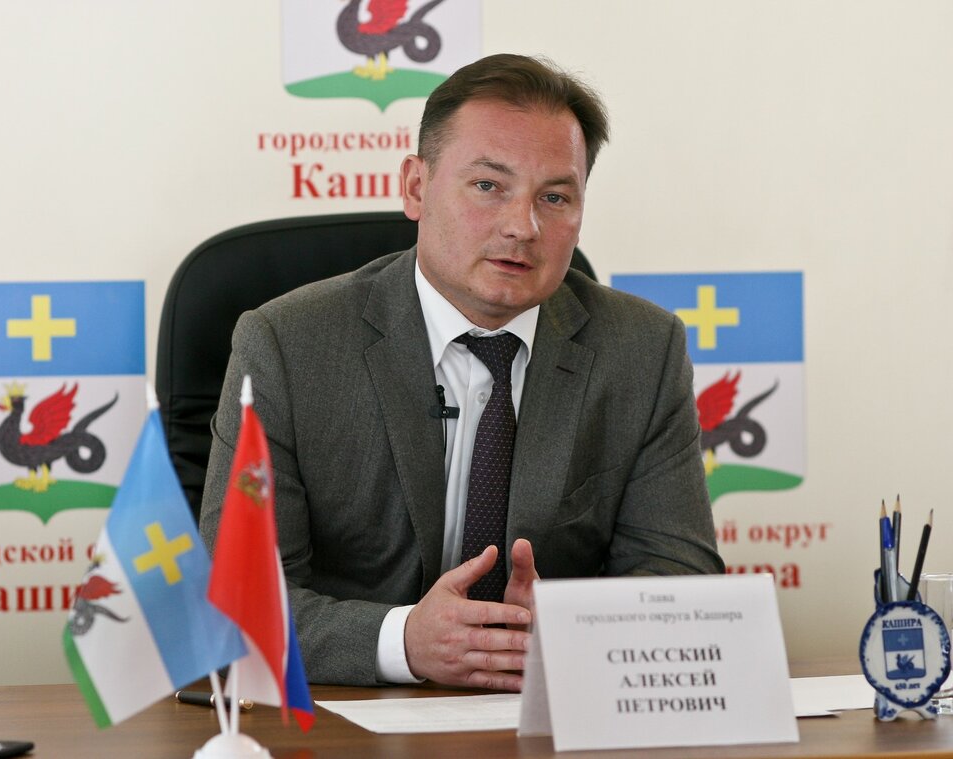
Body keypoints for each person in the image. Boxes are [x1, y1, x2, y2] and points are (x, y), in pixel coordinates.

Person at [199, 53, 723, 691]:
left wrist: (573, 627)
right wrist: (404, 642)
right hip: (344, 717)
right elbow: (237, 602)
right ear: (416, 188)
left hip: (544, 710)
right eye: (488, 186)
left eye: (555, 197)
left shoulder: (643, 350)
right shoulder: (288, 346)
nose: (522, 226)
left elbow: (681, 582)